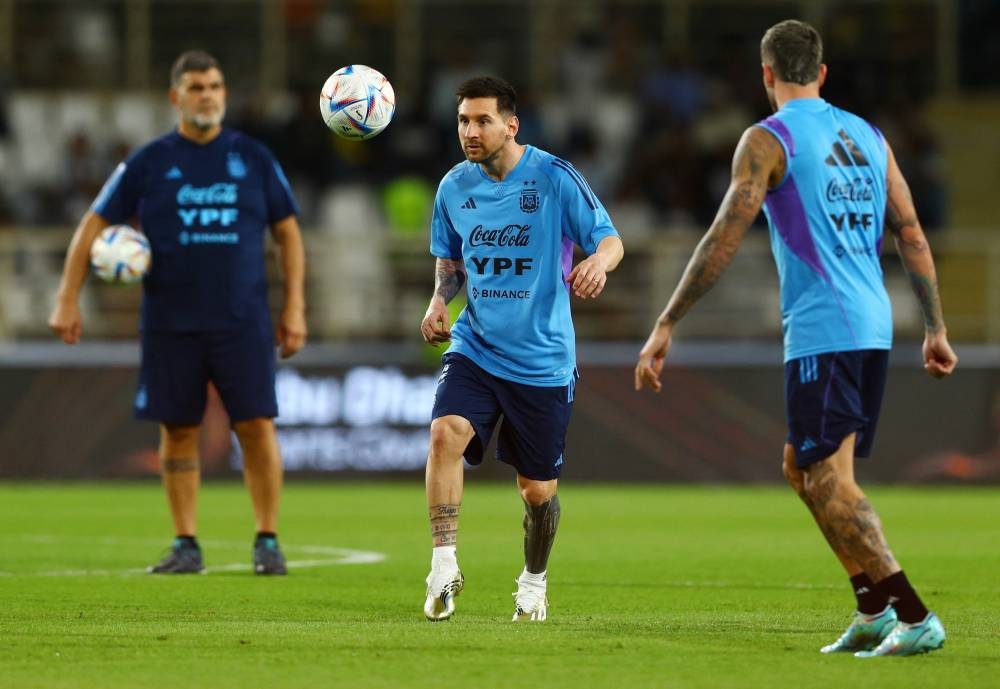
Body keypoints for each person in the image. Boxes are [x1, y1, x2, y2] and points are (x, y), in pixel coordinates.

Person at [634, 20, 957, 657]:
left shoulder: (767, 139)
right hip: (871, 322)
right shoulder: (869, 135)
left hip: (825, 329)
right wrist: (935, 327)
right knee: (799, 466)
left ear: (765, 74)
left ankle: (913, 614)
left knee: (829, 479)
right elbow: (912, 231)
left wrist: (668, 319)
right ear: (823, 73)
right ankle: (870, 608)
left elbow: (725, 234)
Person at [48, 50, 307, 576]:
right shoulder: (148, 161)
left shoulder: (253, 157)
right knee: (178, 429)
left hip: (243, 320)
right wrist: (66, 297)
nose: (207, 95)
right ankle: (186, 542)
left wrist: (296, 305)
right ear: (175, 97)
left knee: (256, 425)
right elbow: (93, 225)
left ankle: (268, 539)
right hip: (171, 321)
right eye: (195, 87)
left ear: (224, 93)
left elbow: (288, 232)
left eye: (214, 86)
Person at [420, 76, 624, 621]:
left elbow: (610, 239)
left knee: (537, 490)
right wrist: (440, 300)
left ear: (511, 125)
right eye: (463, 120)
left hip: (541, 360)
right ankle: (443, 565)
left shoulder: (553, 178)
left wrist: (596, 263)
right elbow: (451, 262)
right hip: (476, 346)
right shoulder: (453, 188)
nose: (470, 130)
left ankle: (533, 580)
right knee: (445, 433)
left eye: (482, 120)